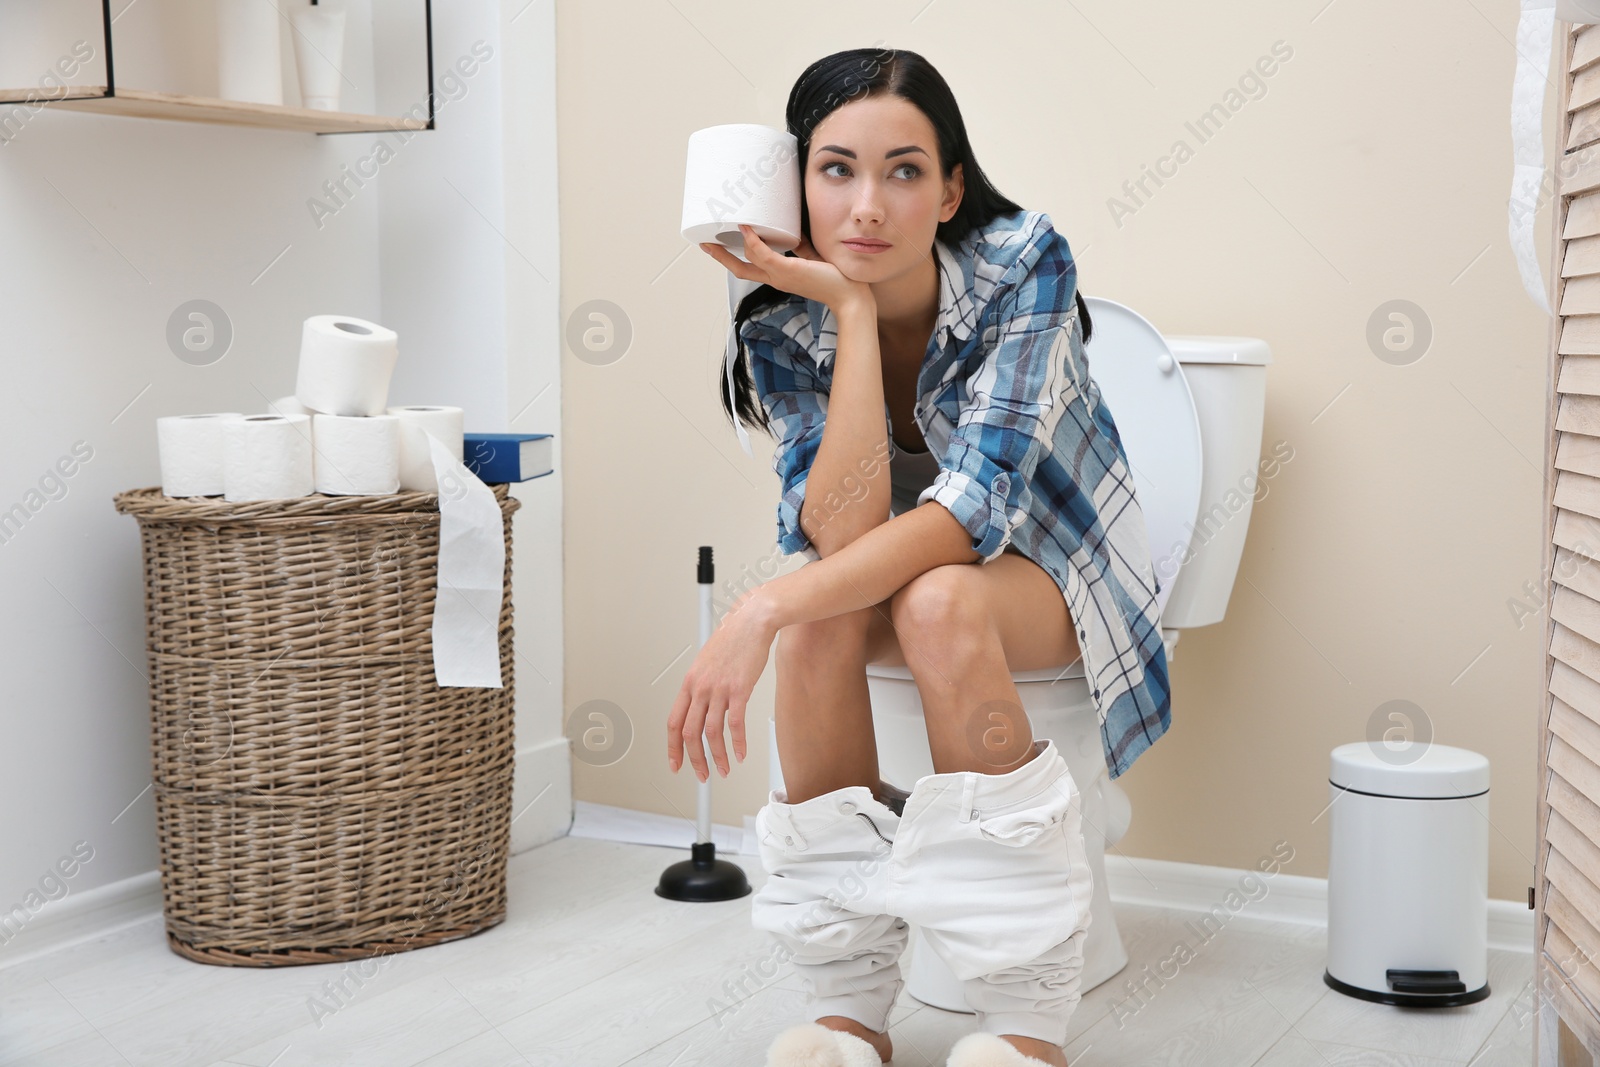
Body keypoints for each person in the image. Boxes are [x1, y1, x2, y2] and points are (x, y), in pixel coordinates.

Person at [666, 46, 1170, 1067]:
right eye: (835, 169)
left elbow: (969, 516)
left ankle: (1026, 1016)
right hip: (896, 565)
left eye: (903, 171)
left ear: (949, 189)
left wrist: (755, 608)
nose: (866, 205)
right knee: (824, 613)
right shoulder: (781, 311)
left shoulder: (1023, 262)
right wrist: (850, 312)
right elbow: (842, 536)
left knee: (935, 597)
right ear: (797, 183)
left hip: (1056, 567)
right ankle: (848, 1006)